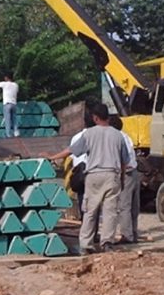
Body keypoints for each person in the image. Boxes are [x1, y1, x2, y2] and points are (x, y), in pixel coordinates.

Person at [44, 103, 130, 255]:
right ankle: (107, 243)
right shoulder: (118, 135)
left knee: (90, 210)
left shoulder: (89, 134)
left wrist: (52, 157)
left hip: (94, 175)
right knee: (110, 211)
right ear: (108, 117)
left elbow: (71, 151)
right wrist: (121, 179)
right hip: (112, 174)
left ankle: (86, 244)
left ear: (95, 118)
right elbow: (124, 162)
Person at [109, 115, 140, 243]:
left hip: (126, 173)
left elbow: (121, 159)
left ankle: (127, 235)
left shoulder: (117, 138)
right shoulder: (126, 137)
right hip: (134, 172)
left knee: (124, 206)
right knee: (134, 206)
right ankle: (133, 233)